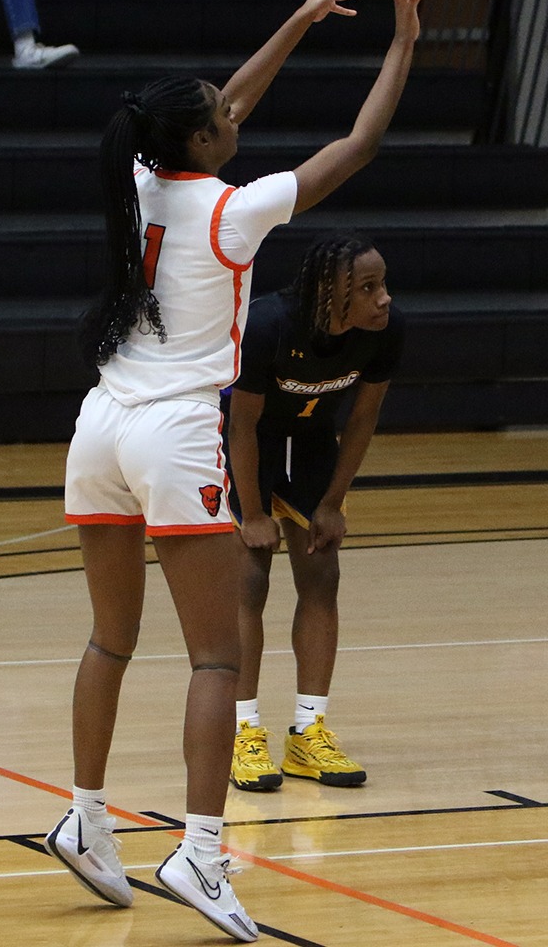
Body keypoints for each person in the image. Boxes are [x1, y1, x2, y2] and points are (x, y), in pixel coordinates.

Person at [44, 0, 418, 943]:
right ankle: (201, 855)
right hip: (174, 435)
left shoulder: (139, 178)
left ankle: (86, 819)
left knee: (108, 639)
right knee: (217, 657)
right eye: (221, 115)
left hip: (101, 426)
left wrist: (300, 16)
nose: (234, 111)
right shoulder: (233, 210)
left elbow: (226, 103)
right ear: (204, 142)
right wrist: (407, 39)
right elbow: (362, 143)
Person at [225, 233, 402, 793]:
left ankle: (308, 733)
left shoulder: (386, 334)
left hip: (311, 444)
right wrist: (254, 513)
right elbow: (243, 425)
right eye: (368, 288)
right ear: (331, 293)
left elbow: (362, 420)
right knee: (250, 582)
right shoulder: (268, 326)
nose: (384, 299)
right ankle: (242, 731)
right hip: (244, 444)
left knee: (322, 576)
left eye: (383, 284)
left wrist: (331, 502)